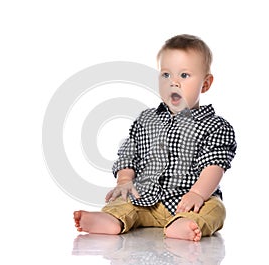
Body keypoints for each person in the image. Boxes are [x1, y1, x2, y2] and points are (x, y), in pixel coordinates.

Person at [73, 34, 237, 241]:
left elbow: (214, 166)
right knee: (124, 201)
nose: (173, 83)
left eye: (184, 76)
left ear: (205, 84)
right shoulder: (146, 119)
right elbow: (129, 152)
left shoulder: (215, 126)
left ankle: (185, 223)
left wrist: (197, 193)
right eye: (166, 75)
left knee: (215, 209)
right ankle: (112, 219)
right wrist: (124, 180)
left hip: (188, 201)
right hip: (145, 199)